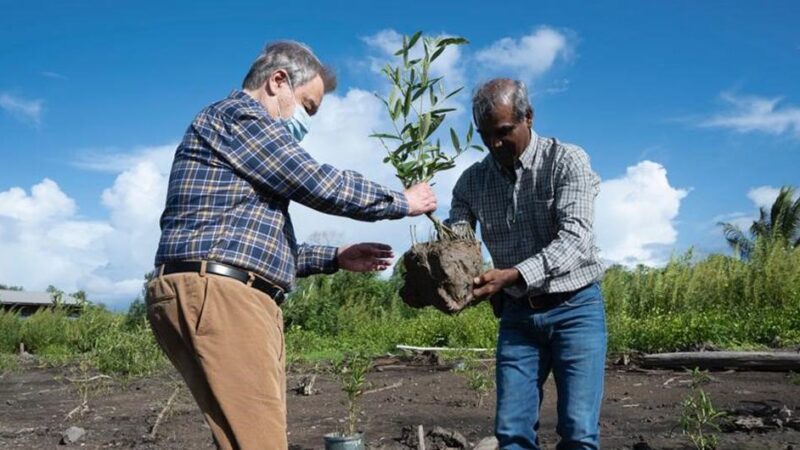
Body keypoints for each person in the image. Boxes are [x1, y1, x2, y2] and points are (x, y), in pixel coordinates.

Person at [146, 40, 437, 449]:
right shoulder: (241, 117)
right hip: (222, 297)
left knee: (239, 439)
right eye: (308, 105)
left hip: (208, 287)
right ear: (277, 81)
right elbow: (314, 180)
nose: (306, 120)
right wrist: (401, 202)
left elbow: (247, 246)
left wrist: (335, 257)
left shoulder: (233, 144)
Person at [448, 78, 606, 449]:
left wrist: (513, 275)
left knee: (579, 433)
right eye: (485, 135)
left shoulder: (567, 162)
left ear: (528, 118)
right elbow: (457, 243)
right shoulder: (471, 183)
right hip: (518, 316)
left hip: (576, 309)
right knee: (512, 433)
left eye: (503, 132)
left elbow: (575, 239)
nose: (494, 144)